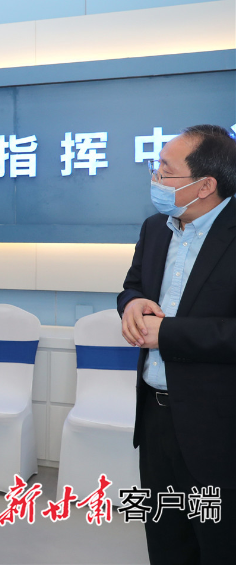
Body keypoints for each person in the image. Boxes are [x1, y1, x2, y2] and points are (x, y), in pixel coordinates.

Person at [117, 124, 235, 564]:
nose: (156, 179)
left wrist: (167, 334)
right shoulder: (155, 229)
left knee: (218, 545)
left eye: (166, 172)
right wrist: (131, 304)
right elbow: (132, 286)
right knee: (166, 543)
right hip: (155, 416)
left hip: (218, 427)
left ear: (205, 185)